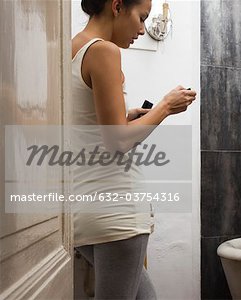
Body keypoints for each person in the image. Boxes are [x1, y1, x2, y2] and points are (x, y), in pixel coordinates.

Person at [71, 0, 196, 298]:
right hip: (116, 212)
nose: (141, 29)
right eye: (141, 17)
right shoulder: (104, 50)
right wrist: (165, 107)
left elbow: (85, 128)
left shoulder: (69, 48)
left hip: (83, 210)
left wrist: (126, 118)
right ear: (116, 6)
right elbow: (119, 143)